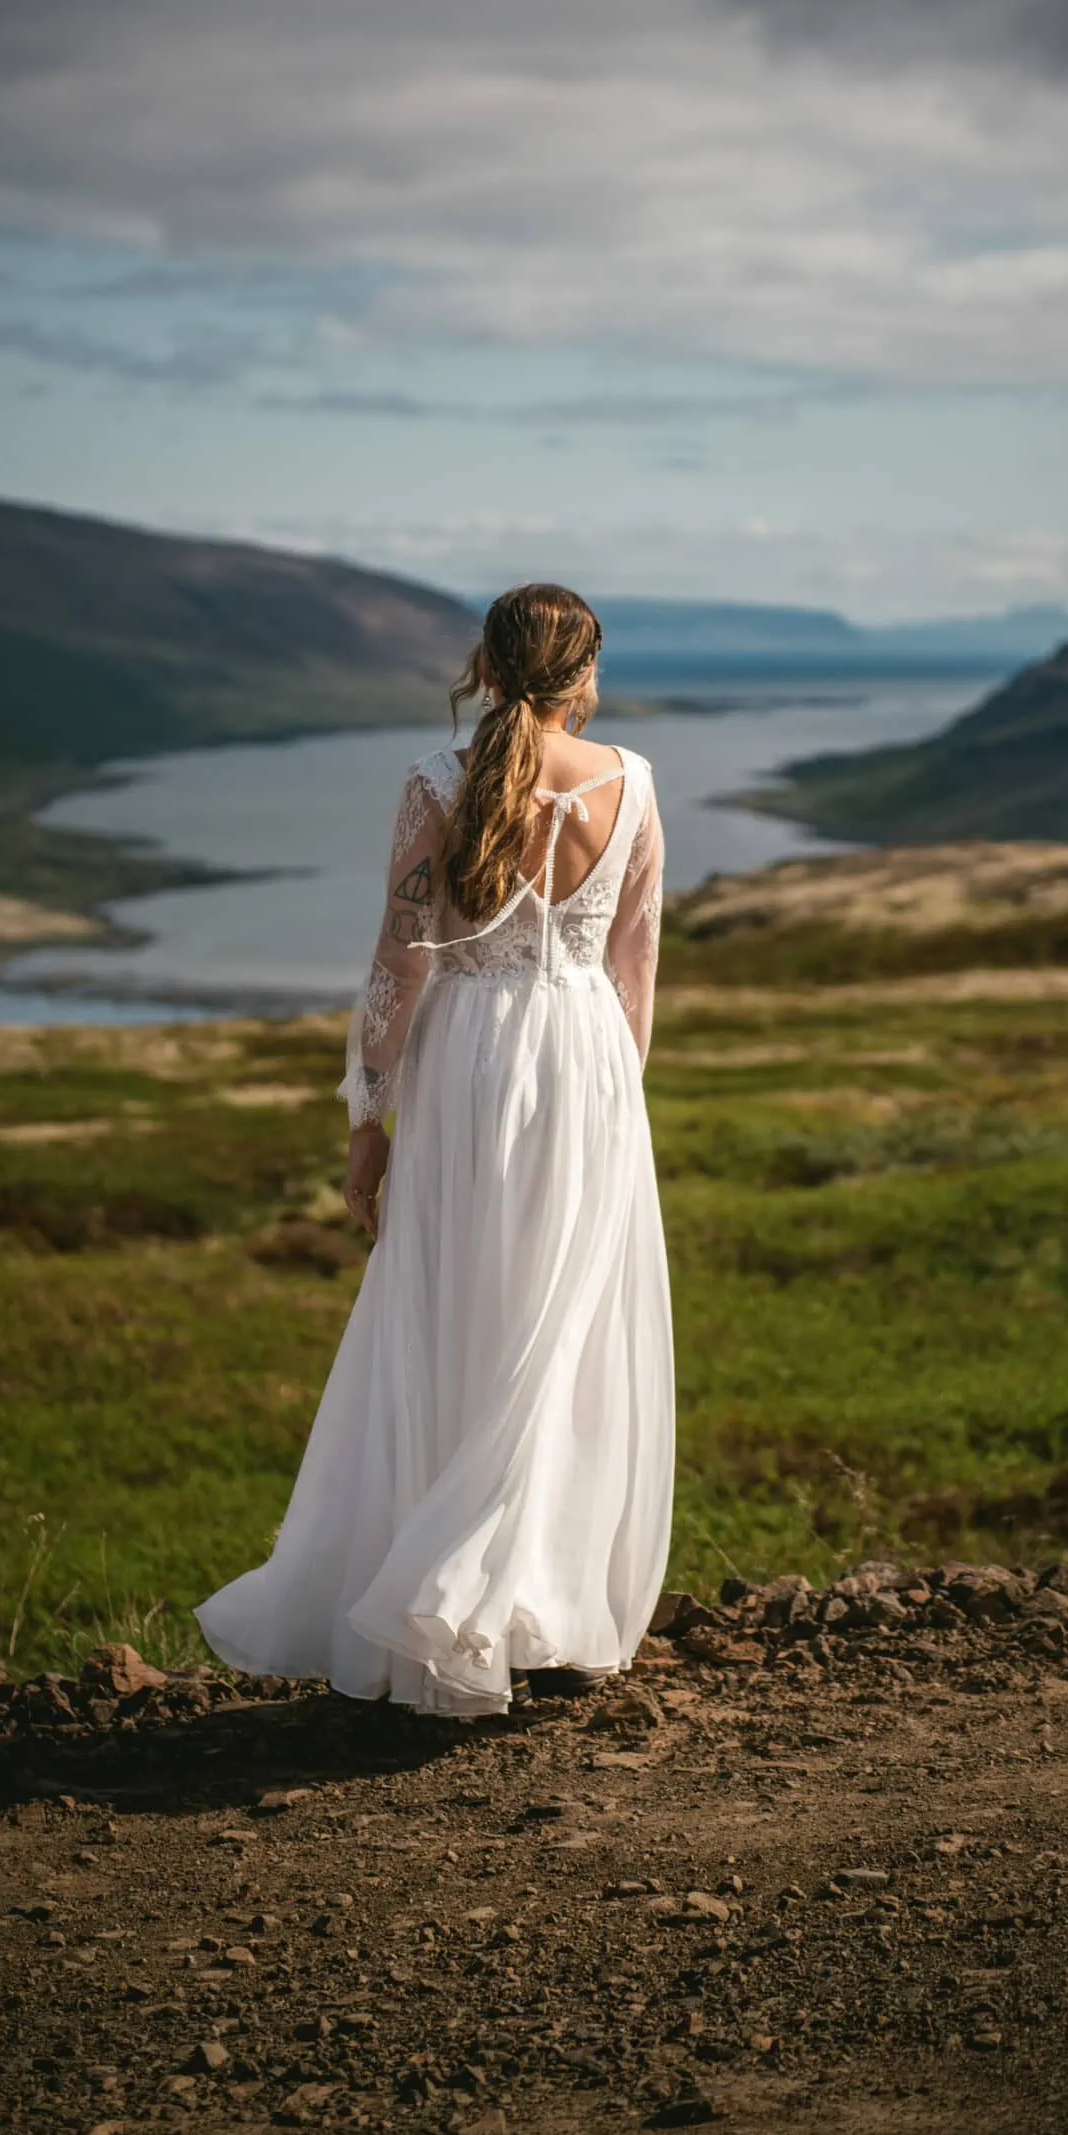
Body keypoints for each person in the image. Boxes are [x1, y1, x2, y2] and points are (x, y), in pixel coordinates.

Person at [194, 583, 674, 1717]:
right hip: (587, 1064)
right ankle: (538, 1602)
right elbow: (635, 962)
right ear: (585, 673)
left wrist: (367, 1119)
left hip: (468, 1062)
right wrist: (617, 1100)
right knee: (562, 1326)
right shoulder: (634, 782)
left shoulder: (433, 782)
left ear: (486, 667)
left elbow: (401, 959)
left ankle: (446, 1593)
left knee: (454, 1307)